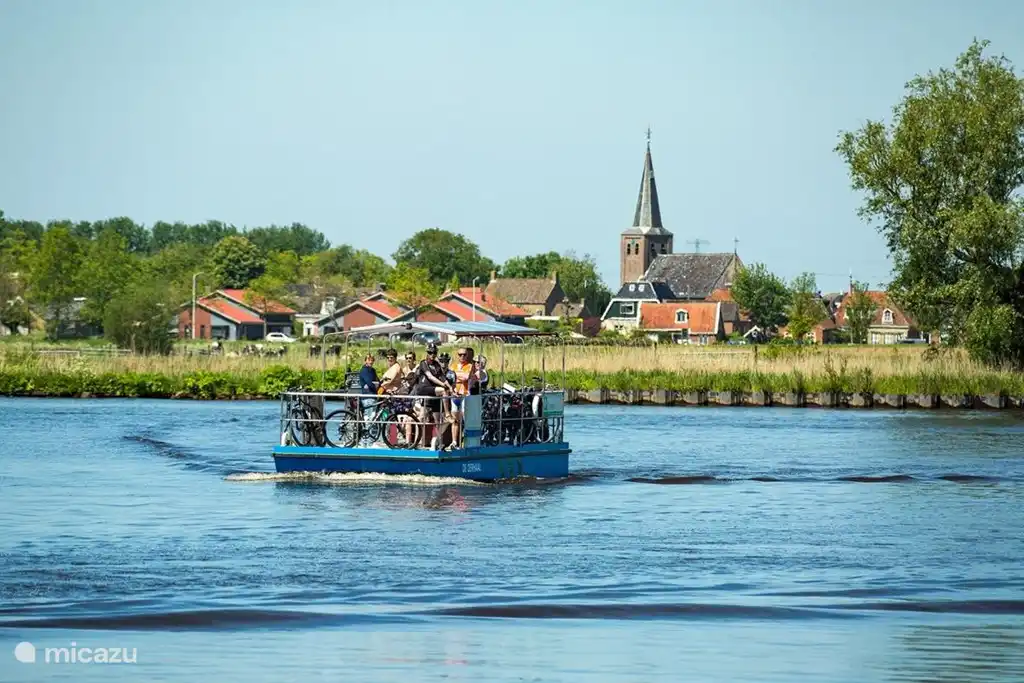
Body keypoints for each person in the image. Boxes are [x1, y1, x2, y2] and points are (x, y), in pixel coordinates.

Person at [413, 342, 452, 448]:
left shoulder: (437, 364)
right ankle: (418, 443)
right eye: (430, 353)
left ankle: (437, 442)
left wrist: (450, 387)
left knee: (438, 420)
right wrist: (444, 385)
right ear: (427, 353)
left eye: (434, 353)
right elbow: (430, 377)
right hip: (424, 389)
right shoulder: (423, 363)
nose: (432, 355)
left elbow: (443, 377)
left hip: (434, 392)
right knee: (422, 418)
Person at [448, 347, 474, 449]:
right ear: (457, 355)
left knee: (465, 420)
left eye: (464, 354)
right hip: (455, 395)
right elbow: (449, 378)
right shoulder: (453, 366)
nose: (462, 356)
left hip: (465, 395)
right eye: (460, 355)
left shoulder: (470, 366)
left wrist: (456, 377)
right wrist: (458, 378)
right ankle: (454, 442)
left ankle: (466, 442)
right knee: (455, 420)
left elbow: (466, 377)